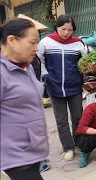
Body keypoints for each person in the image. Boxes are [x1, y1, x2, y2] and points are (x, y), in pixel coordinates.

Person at [0, 18, 49, 180]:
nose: (36, 48)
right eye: (32, 42)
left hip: (32, 152)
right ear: (12, 40)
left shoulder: (25, 66)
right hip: (15, 157)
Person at [37, 14, 87, 161]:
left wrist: (87, 70)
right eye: (63, 29)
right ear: (56, 27)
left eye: (70, 30)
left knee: (78, 117)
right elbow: (40, 62)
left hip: (74, 87)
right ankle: (68, 147)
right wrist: (46, 77)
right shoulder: (46, 42)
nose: (66, 33)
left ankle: (78, 142)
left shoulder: (78, 43)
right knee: (61, 120)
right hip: (55, 86)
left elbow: (85, 63)